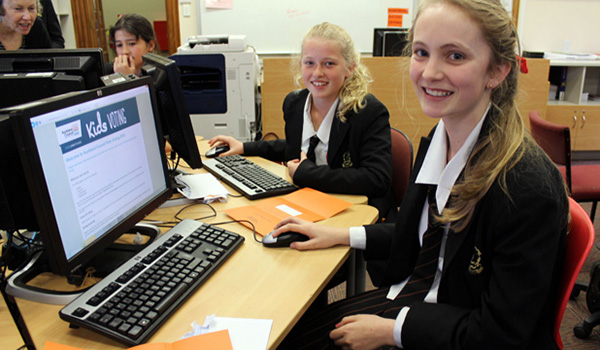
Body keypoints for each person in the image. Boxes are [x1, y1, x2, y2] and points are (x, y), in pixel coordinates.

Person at [271, 0, 569, 349]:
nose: (429, 72)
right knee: (289, 334)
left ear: (497, 71)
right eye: (421, 52)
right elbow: (421, 233)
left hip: (458, 330)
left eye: (455, 56)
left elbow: (501, 334)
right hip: (419, 299)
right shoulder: (439, 141)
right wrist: (338, 234)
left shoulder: (525, 188)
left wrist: (392, 331)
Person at [209, 22, 396, 221]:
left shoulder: (367, 111)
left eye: (329, 64)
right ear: (300, 65)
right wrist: (245, 147)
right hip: (309, 205)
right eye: (309, 63)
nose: (317, 73)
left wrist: (309, 174)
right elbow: (295, 148)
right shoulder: (294, 104)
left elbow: (377, 179)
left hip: (356, 214)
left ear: (349, 68)